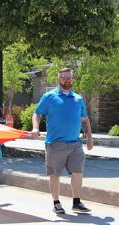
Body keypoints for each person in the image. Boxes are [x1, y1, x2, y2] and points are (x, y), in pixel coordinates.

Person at [31, 68, 94, 214]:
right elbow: (37, 113)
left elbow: (84, 120)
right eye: (63, 78)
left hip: (75, 144)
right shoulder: (49, 97)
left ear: (72, 78)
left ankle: (77, 202)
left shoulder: (78, 98)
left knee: (78, 172)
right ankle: (56, 202)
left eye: (69, 77)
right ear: (58, 79)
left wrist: (89, 138)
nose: (67, 80)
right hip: (55, 144)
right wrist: (35, 127)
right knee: (55, 174)